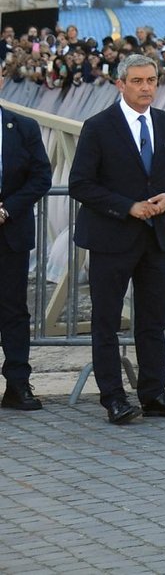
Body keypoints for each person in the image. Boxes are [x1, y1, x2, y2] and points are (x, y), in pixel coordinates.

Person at [68, 54, 165, 424]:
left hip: (155, 237)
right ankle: (113, 397)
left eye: (151, 81)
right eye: (138, 81)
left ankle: (154, 393)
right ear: (120, 84)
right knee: (106, 321)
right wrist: (127, 207)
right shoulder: (98, 126)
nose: (146, 88)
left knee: (153, 320)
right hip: (110, 237)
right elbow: (81, 183)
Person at [0, 106, 53, 411]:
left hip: (11, 230)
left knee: (14, 310)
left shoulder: (23, 127)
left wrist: (7, 209)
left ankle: (17, 384)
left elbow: (41, 176)